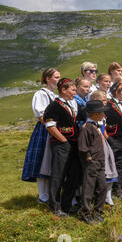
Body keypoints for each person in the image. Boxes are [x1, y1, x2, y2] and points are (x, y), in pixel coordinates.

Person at [43, 78, 82, 217]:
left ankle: (67, 205)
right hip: (61, 145)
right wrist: (64, 141)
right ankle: (55, 206)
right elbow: (50, 126)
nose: (74, 93)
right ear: (63, 90)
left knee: (73, 174)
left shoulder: (72, 104)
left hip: (73, 143)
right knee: (58, 175)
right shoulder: (54, 106)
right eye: (72, 90)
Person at [22, 68, 60, 204]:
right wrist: (51, 127)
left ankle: (50, 194)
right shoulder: (41, 94)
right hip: (45, 130)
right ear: (48, 78)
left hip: (54, 129)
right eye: (56, 77)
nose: (58, 80)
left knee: (50, 162)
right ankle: (42, 195)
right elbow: (40, 114)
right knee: (42, 161)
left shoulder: (55, 96)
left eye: (59, 77)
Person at [77, 100, 108, 224]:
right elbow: (82, 147)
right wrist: (89, 158)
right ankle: (86, 212)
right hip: (92, 162)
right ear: (95, 114)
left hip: (100, 161)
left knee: (103, 187)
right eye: (101, 113)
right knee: (89, 188)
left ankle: (98, 211)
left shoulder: (96, 126)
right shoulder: (87, 128)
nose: (103, 115)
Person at [88, 90, 118, 206]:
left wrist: (106, 137)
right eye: (104, 100)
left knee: (109, 166)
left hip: (104, 142)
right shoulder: (93, 116)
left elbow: (103, 128)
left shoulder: (103, 114)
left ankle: (108, 195)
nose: (106, 101)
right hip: (96, 144)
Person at [105, 80, 122, 199]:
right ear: (116, 92)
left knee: (120, 164)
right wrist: (108, 137)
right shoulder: (108, 105)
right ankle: (107, 191)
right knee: (111, 163)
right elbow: (103, 123)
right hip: (113, 138)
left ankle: (118, 188)